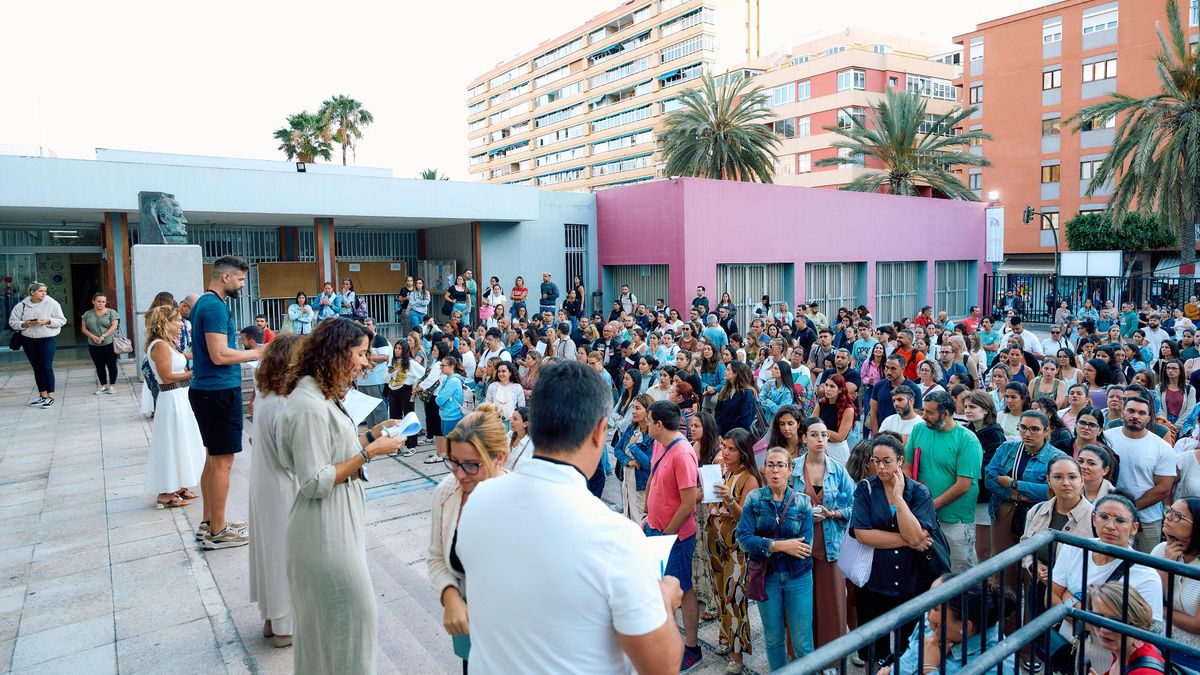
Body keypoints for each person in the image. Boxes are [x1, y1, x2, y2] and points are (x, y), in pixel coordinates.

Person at [456, 360, 685, 674]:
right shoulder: (615, 537)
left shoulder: (479, 501)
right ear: (599, 432)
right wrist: (664, 604)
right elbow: (662, 666)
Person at [279, 318, 405, 673]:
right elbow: (313, 480)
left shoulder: (322, 396)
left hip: (338, 523)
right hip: (321, 529)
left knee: (343, 627)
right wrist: (370, 453)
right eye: (361, 354)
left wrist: (370, 436)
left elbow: (336, 451)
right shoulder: (307, 403)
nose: (366, 363)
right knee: (354, 619)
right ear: (338, 352)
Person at [428, 404, 510, 672]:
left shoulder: (516, 503)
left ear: (500, 457)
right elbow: (437, 555)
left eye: (472, 465)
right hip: (469, 638)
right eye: (453, 462)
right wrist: (450, 593)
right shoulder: (447, 492)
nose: (460, 474)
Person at [190, 257, 262, 549]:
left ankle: (210, 521)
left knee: (213, 458)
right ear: (225, 278)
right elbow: (219, 355)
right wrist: (259, 353)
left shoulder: (203, 304)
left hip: (209, 390)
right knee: (223, 463)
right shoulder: (213, 306)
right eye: (241, 280)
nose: (243, 286)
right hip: (218, 391)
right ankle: (218, 531)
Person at [849, 434, 939, 668]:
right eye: (875, 460)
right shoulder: (865, 488)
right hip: (874, 583)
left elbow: (920, 534)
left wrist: (898, 497)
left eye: (886, 461)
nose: (880, 466)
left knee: (908, 650)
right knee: (872, 649)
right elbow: (862, 534)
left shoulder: (919, 492)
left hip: (912, 583)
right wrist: (909, 540)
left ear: (900, 461)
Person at [1049, 493, 1164, 665]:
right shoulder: (1074, 548)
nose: (1110, 526)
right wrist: (1104, 621)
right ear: (1094, 519)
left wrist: (1069, 600)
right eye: (1104, 517)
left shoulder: (1147, 576)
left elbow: (1141, 633)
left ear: (1134, 527)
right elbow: (1050, 596)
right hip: (1068, 643)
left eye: (1120, 520)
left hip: (1111, 657)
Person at [247, 333, 304, 648]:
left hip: (264, 482)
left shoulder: (266, 396)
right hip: (282, 486)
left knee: (269, 549)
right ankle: (285, 626)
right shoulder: (283, 405)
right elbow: (289, 456)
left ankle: (270, 618)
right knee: (285, 553)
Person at [736, 447, 814, 671]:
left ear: (790, 470)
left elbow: (804, 548)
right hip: (766, 577)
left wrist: (762, 544)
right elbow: (743, 539)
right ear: (764, 470)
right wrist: (779, 545)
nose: (775, 470)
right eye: (770, 465)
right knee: (773, 638)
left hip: (798, 577)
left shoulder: (802, 502)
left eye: (780, 465)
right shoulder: (755, 499)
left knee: (802, 641)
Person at [643, 399, 703, 671]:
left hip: (674, 537)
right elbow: (653, 477)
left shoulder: (681, 453)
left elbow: (688, 503)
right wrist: (646, 512)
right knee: (660, 588)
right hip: (655, 529)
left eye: (648, 420)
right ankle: (667, 639)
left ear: (658, 424)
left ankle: (691, 646)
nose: (645, 424)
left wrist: (666, 534)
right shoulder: (659, 443)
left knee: (683, 589)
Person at [792, 418, 854, 652]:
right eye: (815, 434)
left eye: (824, 435)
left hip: (830, 544)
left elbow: (854, 505)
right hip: (800, 543)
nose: (820, 440)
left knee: (832, 603)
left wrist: (833, 513)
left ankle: (830, 657)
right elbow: (780, 503)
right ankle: (801, 652)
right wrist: (802, 513)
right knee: (800, 602)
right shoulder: (792, 468)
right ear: (804, 437)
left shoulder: (838, 470)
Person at [983, 410, 1066, 584]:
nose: (1027, 433)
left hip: (1038, 519)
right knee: (1004, 571)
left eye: (1034, 429)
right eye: (1023, 428)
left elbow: (1052, 491)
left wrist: (1014, 484)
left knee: (1032, 573)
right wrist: (1017, 496)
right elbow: (990, 478)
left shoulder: (1057, 458)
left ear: (1046, 431)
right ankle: (1007, 611)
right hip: (1004, 513)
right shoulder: (1007, 448)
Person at [905, 390, 983, 573]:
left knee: (960, 574)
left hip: (955, 520)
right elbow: (907, 468)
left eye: (929, 413)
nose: (923, 416)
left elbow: (963, 485)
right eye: (924, 411)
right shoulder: (918, 429)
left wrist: (930, 506)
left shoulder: (967, 439)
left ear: (945, 414)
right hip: (924, 517)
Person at [706, 428, 762, 673]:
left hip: (736, 546)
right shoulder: (723, 470)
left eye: (731, 449)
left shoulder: (750, 478)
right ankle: (725, 637)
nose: (725, 453)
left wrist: (729, 499)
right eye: (723, 447)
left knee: (735, 597)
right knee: (719, 593)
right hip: (715, 539)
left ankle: (737, 656)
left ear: (743, 452)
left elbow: (746, 519)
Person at [140, 304, 205, 509]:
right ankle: (165, 493)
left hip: (180, 397)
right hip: (172, 398)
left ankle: (177, 486)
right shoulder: (159, 345)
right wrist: (195, 373)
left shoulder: (167, 343)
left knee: (181, 442)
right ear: (164, 322)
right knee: (171, 443)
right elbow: (167, 376)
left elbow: (186, 357)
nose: (180, 324)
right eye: (176, 320)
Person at [1019, 456, 1093, 631]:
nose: (1066, 483)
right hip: (1039, 588)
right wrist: (1033, 565)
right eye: (1058, 477)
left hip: (1077, 596)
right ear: (1048, 481)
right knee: (1040, 643)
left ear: (1082, 480)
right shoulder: (1037, 511)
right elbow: (1025, 545)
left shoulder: (1095, 518)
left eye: (1072, 477)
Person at [1104, 395, 1175, 552]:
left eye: (1141, 413)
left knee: (1147, 566)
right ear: (1123, 413)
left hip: (1148, 520)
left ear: (1148, 418)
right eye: (1131, 411)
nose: (1135, 416)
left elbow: (1164, 487)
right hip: (1108, 515)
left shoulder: (1162, 447)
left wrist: (1130, 507)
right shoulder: (1106, 438)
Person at [1151, 497, 1200, 668]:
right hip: (1157, 641)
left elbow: (1197, 625)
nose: (1168, 517)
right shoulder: (1160, 550)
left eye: (1178, 515)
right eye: (1169, 510)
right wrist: (1167, 564)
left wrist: (1161, 610)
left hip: (1193, 655)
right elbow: (1146, 601)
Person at [8, 281, 66, 407]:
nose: (43, 293)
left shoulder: (52, 303)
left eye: (45, 291)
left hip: (46, 339)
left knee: (46, 367)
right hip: (28, 340)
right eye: (40, 291)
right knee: (37, 368)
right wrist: (24, 324)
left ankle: (51, 396)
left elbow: (62, 320)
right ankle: (42, 395)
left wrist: (48, 321)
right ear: (32, 292)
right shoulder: (21, 305)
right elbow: (12, 322)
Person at [1088, 583, 1166, 675]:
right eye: (1097, 618)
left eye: (1116, 622)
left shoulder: (1145, 672)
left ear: (1137, 624)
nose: (1104, 630)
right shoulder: (1122, 650)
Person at [613, 395, 654, 522]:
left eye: (637, 408)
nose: (633, 411)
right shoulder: (632, 428)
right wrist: (629, 461)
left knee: (640, 520)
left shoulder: (653, 435)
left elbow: (649, 463)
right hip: (628, 482)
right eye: (633, 408)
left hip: (642, 486)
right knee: (629, 515)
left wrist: (633, 446)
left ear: (648, 411)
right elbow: (617, 449)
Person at [385, 336, 423, 457]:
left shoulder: (411, 363)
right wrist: (390, 373)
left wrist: (415, 387)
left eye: (400, 348)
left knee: (409, 417)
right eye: (396, 348)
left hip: (405, 391)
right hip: (393, 390)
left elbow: (423, 373)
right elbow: (385, 379)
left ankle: (411, 445)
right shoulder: (393, 362)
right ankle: (396, 445)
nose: (396, 350)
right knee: (394, 418)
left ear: (404, 350)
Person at [81, 291, 121, 394]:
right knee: (99, 365)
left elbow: (114, 326)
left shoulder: (112, 312)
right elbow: (84, 329)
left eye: (103, 302)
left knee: (111, 364)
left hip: (109, 342)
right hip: (93, 344)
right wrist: (93, 337)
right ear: (93, 301)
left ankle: (112, 385)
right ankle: (104, 385)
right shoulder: (87, 314)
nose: (101, 303)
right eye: (98, 301)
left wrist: (103, 336)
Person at [356, 318, 391, 429]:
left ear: (374, 326)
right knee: (367, 409)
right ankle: (371, 433)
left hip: (375, 379)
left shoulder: (379, 339)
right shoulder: (361, 340)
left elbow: (385, 356)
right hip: (362, 380)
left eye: (369, 324)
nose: (366, 326)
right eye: (365, 324)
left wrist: (368, 357)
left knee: (378, 408)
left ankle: (383, 432)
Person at [817, 374, 856, 465]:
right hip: (821, 446)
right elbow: (810, 423)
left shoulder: (848, 409)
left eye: (832, 386)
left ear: (840, 390)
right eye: (826, 385)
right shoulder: (821, 403)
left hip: (838, 450)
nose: (827, 389)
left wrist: (818, 430)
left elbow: (840, 437)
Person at [714, 361, 757, 437]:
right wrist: (718, 433)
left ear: (736, 373)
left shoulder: (747, 393)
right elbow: (718, 414)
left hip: (738, 437)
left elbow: (745, 419)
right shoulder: (724, 391)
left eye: (728, 370)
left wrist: (731, 436)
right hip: (723, 435)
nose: (725, 372)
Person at [435, 355, 470, 439]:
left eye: (443, 365)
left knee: (451, 445)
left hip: (452, 416)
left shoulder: (453, 381)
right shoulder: (447, 379)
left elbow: (439, 400)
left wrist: (438, 398)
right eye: (441, 365)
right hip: (447, 415)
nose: (441, 367)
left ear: (451, 367)